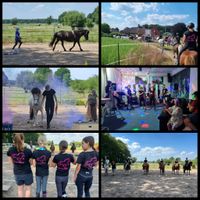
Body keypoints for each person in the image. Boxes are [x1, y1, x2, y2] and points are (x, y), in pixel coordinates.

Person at [7, 133, 33, 197]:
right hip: (27, 173)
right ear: (23, 140)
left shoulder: (10, 150)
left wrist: (17, 163)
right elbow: (31, 163)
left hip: (17, 173)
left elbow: (10, 162)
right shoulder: (28, 151)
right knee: (28, 190)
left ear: (14, 140)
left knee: (20, 190)